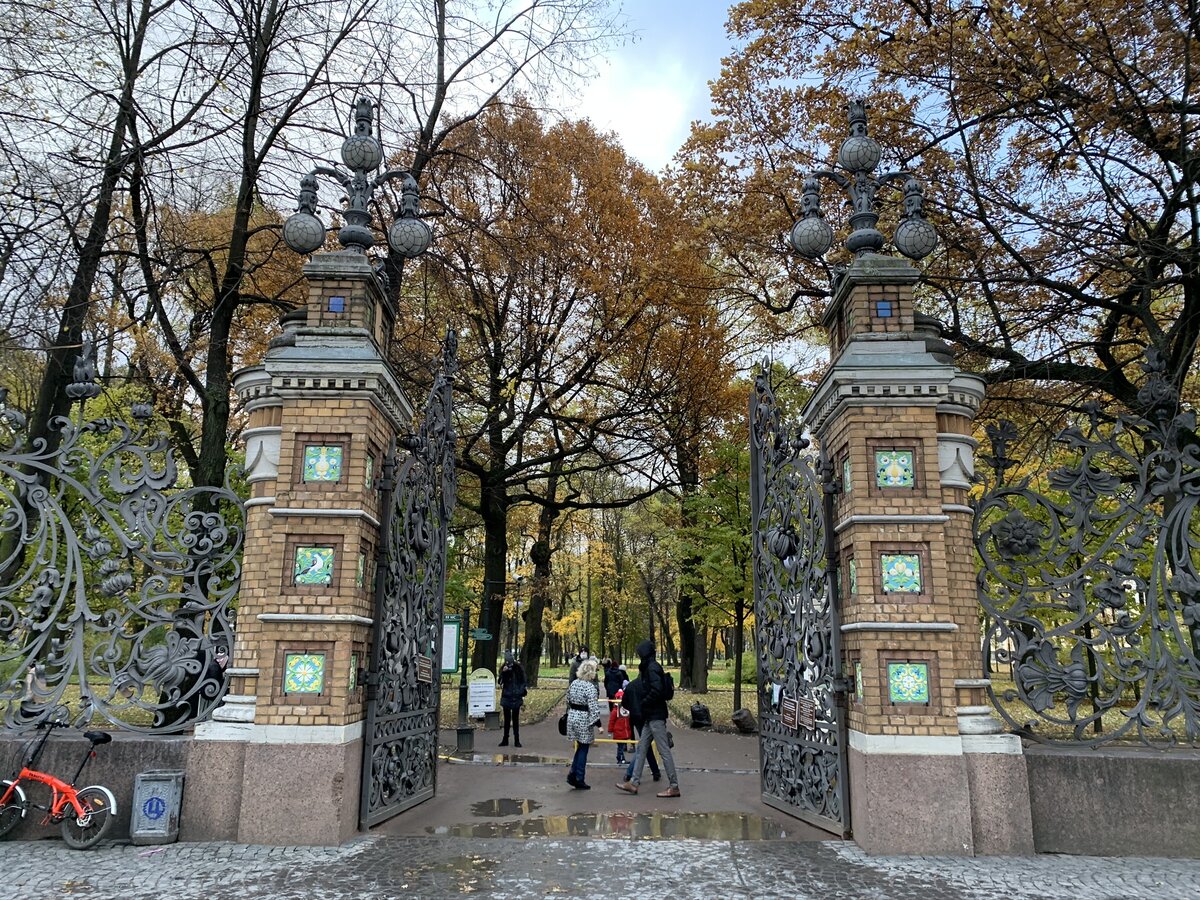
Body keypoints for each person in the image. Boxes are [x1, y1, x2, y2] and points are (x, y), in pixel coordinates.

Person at [616, 639, 680, 798]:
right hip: (650, 716)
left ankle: (674, 786)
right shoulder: (650, 667)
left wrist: (644, 703)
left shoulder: (651, 668)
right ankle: (634, 782)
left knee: (664, 751)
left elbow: (656, 690)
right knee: (642, 748)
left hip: (655, 716)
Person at [564, 657, 602, 790]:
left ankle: (573, 774)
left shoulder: (574, 683)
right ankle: (579, 777)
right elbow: (593, 707)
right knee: (584, 748)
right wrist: (598, 723)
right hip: (584, 719)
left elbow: (567, 700)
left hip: (573, 716)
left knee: (580, 747)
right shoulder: (590, 687)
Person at [619, 674, 660, 784]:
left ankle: (655, 771)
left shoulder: (631, 686)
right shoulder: (648, 686)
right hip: (648, 717)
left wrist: (632, 708)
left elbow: (624, 703)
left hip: (636, 717)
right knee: (644, 745)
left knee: (645, 744)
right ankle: (630, 773)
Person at [498, 650, 527, 748]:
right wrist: (503, 672)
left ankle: (517, 739)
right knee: (506, 719)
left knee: (515, 719)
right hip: (507, 696)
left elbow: (523, 681)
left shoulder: (518, 668)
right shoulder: (503, 668)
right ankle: (505, 739)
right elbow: (500, 682)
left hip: (516, 696)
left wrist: (520, 691)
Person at [607, 681, 633, 765]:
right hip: (620, 731)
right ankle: (620, 759)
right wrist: (610, 731)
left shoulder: (623, 710)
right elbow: (611, 721)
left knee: (621, 746)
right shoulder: (616, 711)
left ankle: (621, 758)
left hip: (623, 731)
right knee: (620, 747)